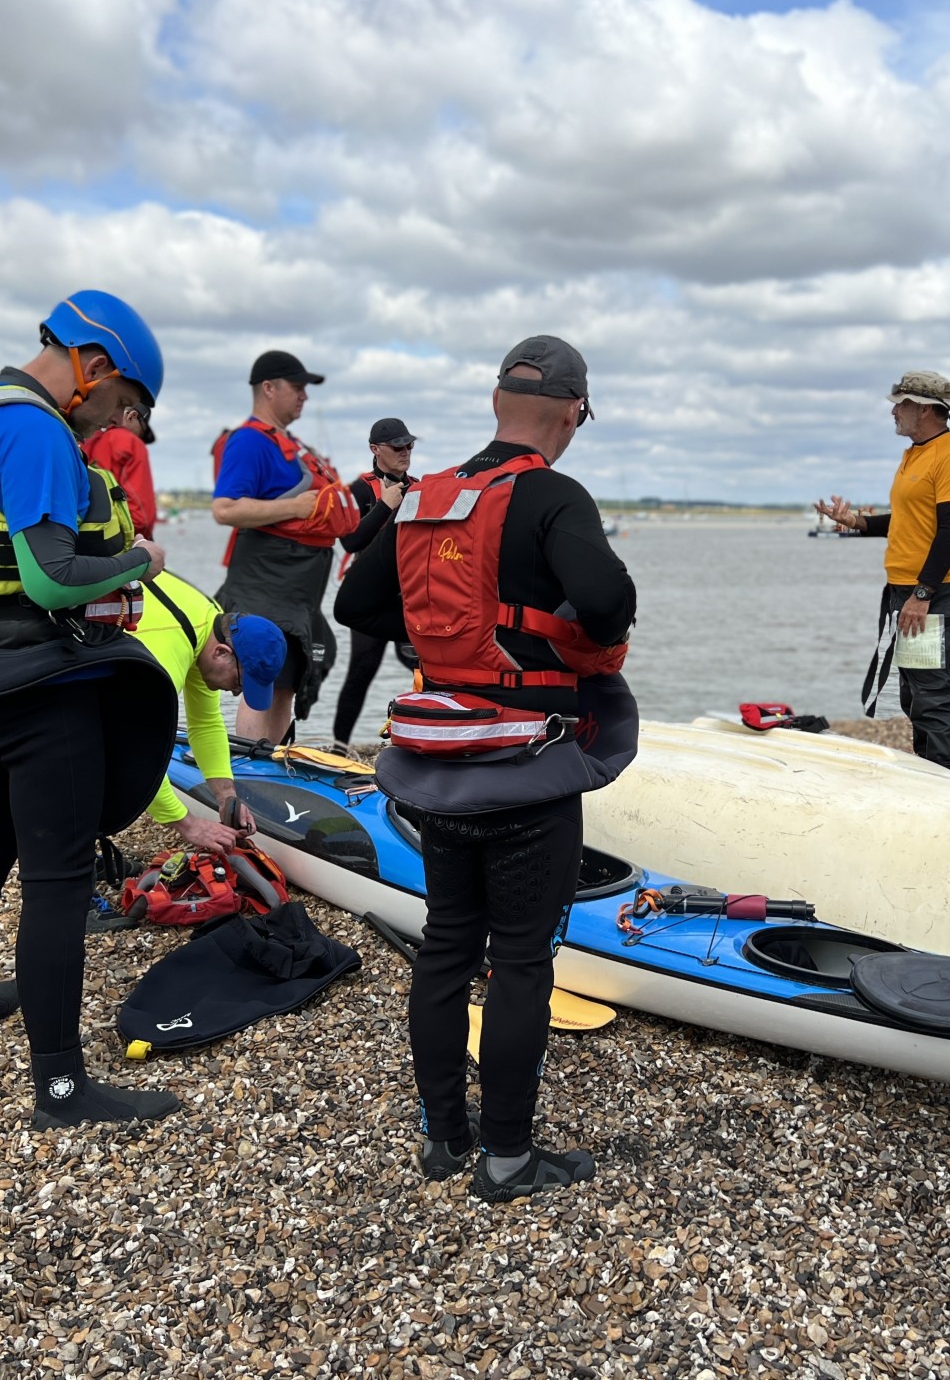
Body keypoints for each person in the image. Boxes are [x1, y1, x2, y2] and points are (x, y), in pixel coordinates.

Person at [335, 336, 638, 1203]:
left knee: (444, 950)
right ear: (573, 411)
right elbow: (611, 602)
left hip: (435, 761)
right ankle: (506, 1157)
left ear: (496, 401)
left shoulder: (429, 495)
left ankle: (442, 1138)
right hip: (525, 765)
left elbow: (356, 603)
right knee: (521, 963)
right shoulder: (551, 494)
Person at [0, 289, 183, 1130]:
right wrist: (139, 558)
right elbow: (54, 578)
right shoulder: (35, 430)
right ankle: (62, 1089)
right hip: (40, 686)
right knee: (57, 882)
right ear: (93, 366)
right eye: (122, 404)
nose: (110, 426)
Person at [815, 369, 950, 773]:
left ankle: (945, 780)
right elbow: (908, 521)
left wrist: (922, 595)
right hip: (905, 589)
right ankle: (929, 770)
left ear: (924, 410)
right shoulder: (913, 454)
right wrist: (855, 521)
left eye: (900, 405)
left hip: (936, 592)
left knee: (933, 694)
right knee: (912, 690)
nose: (894, 413)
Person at [211, 350, 359, 743]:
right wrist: (294, 506)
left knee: (288, 677)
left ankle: (271, 766)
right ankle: (250, 770)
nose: (304, 396)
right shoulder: (249, 442)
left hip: (299, 592)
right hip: (266, 580)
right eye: (297, 387)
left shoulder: (290, 443)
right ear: (268, 387)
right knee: (263, 671)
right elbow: (225, 509)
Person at [130, 572, 288, 853]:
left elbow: (205, 722)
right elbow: (132, 752)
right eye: (240, 681)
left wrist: (226, 796)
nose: (237, 693)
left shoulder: (210, 622)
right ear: (222, 653)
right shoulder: (162, 659)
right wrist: (187, 824)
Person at [330, 417, 421, 749]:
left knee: (423, 665)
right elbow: (350, 542)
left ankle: (421, 736)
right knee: (362, 669)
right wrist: (385, 506)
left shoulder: (421, 486)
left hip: (409, 593)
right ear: (375, 450)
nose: (405, 452)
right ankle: (340, 745)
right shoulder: (359, 488)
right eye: (398, 446)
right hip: (368, 596)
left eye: (409, 445)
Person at [83, 401, 158, 539]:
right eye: (142, 430)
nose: (140, 437)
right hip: (124, 538)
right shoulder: (130, 442)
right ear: (131, 416)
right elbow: (142, 516)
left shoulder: (86, 441)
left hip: (85, 536)